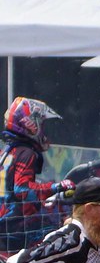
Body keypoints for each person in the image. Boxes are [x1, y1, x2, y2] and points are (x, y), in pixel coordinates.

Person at [0, 97, 73, 251]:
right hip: (13, 228)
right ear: (30, 123)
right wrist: (56, 187)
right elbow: (22, 190)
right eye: (42, 124)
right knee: (55, 235)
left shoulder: (8, 151)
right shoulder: (26, 153)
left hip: (5, 222)